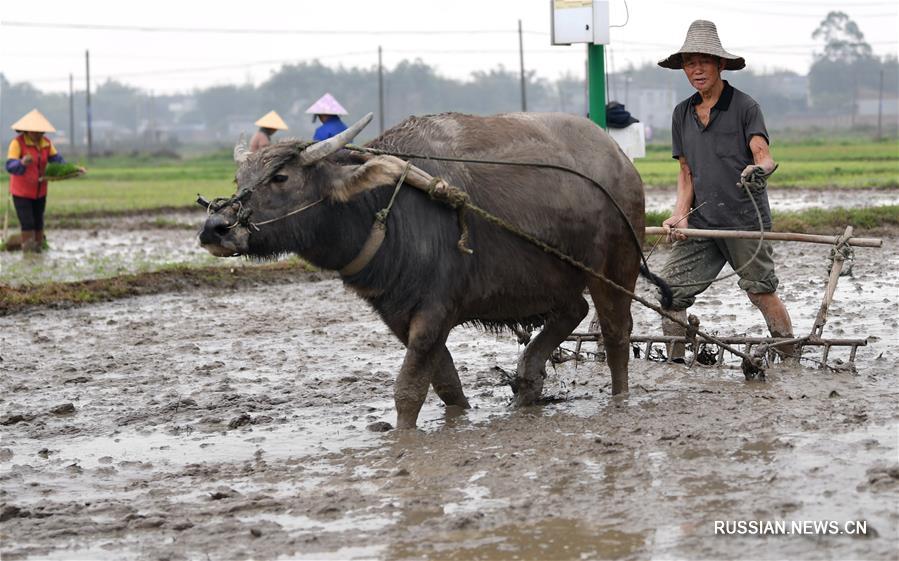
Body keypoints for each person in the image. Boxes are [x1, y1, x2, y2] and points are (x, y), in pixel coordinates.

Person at [656, 20, 796, 362]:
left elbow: (764, 157)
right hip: (703, 221)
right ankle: (674, 362)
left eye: (704, 61)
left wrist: (757, 170)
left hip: (744, 221)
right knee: (670, 293)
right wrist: (679, 215)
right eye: (690, 62)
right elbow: (686, 172)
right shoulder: (682, 114)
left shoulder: (746, 107)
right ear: (684, 69)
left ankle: (790, 355)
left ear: (720, 64)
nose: (697, 69)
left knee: (760, 292)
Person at [5, 109, 78, 253]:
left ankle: (39, 249)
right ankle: (28, 252)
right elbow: (9, 165)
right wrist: (21, 163)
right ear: (27, 130)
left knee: (39, 222)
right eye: (35, 132)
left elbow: (58, 161)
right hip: (22, 192)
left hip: (40, 191)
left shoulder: (46, 143)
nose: (38, 135)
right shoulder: (17, 143)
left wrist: (73, 168)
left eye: (41, 132)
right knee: (28, 223)